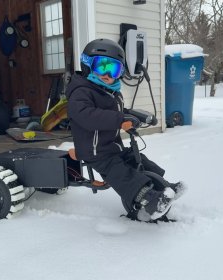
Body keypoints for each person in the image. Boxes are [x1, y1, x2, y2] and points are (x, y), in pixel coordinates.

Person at [66, 38, 185, 221]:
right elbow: (87, 115)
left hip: (112, 147)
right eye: (102, 67)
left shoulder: (110, 92)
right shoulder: (81, 92)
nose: (107, 74)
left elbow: (120, 112)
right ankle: (146, 198)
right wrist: (120, 119)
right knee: (119, 171)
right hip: (95, 151)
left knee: (136, 158)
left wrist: (138, 116)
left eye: (113, 69)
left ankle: (164, 186)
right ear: (88, 65)